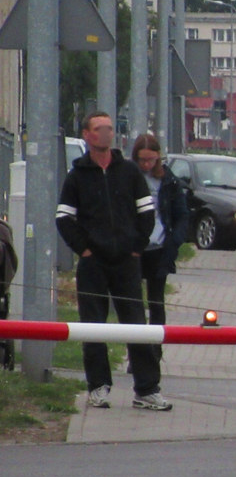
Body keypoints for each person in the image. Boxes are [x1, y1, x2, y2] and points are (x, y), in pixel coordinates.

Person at [56, 113, 172, 412]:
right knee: (93, 327)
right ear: (87, 135)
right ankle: (98, 387)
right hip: (93, 264)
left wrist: (136, 247)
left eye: (109, 128)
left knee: (136, 325)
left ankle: (146, 389)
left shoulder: (129, 172)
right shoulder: (77, 176)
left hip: (126, 263)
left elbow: (147, 212)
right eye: (100, 129)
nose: (107, 133)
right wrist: (83, 250)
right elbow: (64, 218)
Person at [131, 134, 189, 358]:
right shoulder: (131, 177)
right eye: (142, 160)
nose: (147, 164)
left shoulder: (168, 180)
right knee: (133, 304)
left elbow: (181, 214)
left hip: (159, 247)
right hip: (134, 248)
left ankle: (155, 351)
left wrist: (174, 242)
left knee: (156, 301)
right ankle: (136, 353)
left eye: (151, 160)